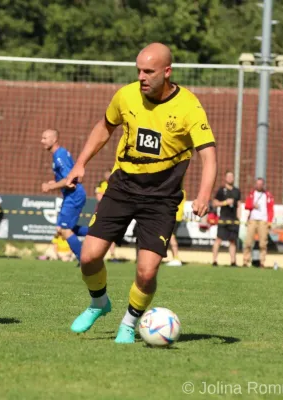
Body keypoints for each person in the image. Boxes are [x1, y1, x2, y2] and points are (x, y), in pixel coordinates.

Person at [65, 43, 217, 344]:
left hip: (162, 197)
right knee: (89, 257)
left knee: (147, 273)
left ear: (167, 72)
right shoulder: (126, 95)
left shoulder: (188, 106)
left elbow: (208, 154)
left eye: (148, 71)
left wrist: (203, 195)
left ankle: (129, 322)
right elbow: (105, 126)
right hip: (122, 187)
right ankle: (99, 302)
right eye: (138, 70)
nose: (142, 77)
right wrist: (80, 163)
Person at [40, 129, 88, 262]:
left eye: (45, 138)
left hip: (74, 195)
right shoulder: (60, 154)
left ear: (54, 139)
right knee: (65, 228)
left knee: (65, 230)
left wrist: (50, 186)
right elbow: (71, 176)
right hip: (72, 195)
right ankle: (99, 233)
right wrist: (55, 182)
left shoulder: (59, 155)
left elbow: (68, 179)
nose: (42, 141)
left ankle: (83, 260)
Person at [243, 178, 274, 268]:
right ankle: (245, 261)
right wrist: (253, 205)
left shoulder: (268, 195)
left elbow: (271, 209)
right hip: (252, 220)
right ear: (255, 185)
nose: (259, 185)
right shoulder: (251, 194)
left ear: (263, 185)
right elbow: (246, 206)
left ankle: (262, 262)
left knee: (263, 243)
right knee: (248, 242)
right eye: (258, 184)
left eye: (261, 184)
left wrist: (270, 221)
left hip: (263, 221)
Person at [212, 171, 241, 266]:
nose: (230, 178)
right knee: (218, 239)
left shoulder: (237, 191)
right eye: (228, 176)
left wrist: (239, 218)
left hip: (233, 220)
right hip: (223, 218)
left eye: (231, 176)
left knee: (232, 241)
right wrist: (225, 202)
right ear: (225, 178)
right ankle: (214, 260)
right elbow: (215, 203)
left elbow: (239, 205)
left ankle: (233, 261)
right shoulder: (221, 190)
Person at [95, 169, 119, 261]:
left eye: (109, 174)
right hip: (102, 212)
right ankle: (98, 255)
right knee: (99, 234)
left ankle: (112, 255)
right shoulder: (100, 184)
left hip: (113, 212)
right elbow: (99, 197)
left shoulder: (117, 184)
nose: (107, 176)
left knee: (111, 235)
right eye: (106, 174)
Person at [165, 189, 186, 267]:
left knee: (171, 237)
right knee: (170, 236)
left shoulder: (178, 191)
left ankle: (176, 258)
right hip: (176, 217)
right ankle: (175, 258)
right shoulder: (180, 190)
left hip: (175, 216)